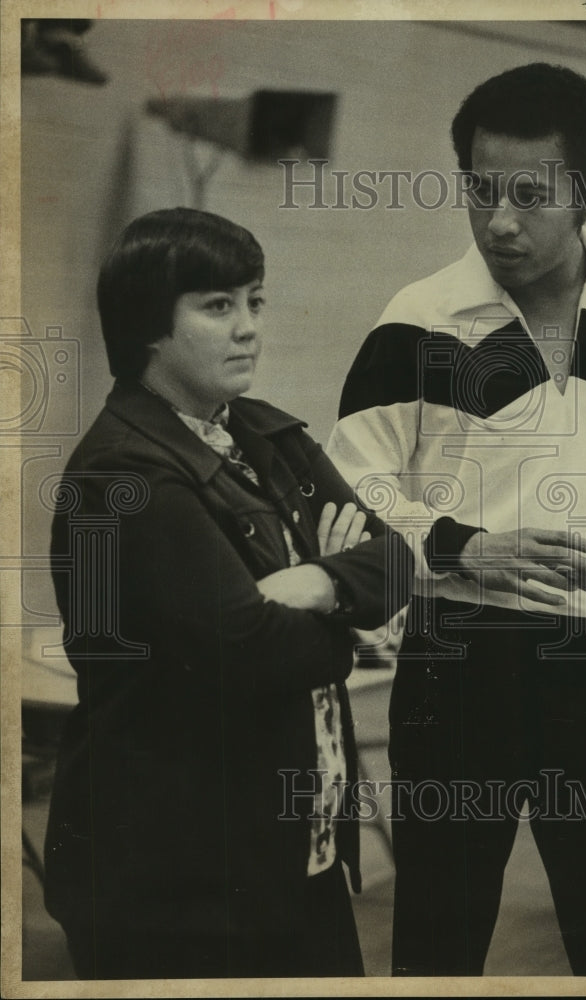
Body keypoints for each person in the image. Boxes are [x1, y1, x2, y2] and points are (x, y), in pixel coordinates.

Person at [326, 64, 586, 976]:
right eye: (479, 192)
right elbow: (351, 487)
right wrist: (463, 546)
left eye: (529, 195)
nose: (499, 221)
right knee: (439, 946)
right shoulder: (418, 318)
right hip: (456, 669)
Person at [44, 207, 413, 979]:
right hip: (180, 878)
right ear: (149, 325)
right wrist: (344, 622)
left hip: (294, 851)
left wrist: (314, 581)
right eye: (217, 306)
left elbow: (395, 559)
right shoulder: (123, 476)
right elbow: (246, 649)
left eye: (254, 300)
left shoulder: (262, 434)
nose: (248, 326)